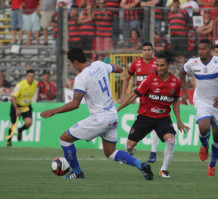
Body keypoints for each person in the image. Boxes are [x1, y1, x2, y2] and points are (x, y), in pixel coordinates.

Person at [40, 48, 153, 180]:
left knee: (64, 139)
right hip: (112, 115)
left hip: (99, 119)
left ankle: (77, 172)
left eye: (71, 63)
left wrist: (53, 111)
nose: (71, 66)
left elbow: (75, 104)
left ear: (76, 62)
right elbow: (119, 69)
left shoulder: (81, 78)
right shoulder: (99, 64)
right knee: (110, 152)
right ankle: (141, 165)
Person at [117, 51, 190, 178]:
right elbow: (133, 95)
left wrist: (179, 121)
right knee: (129, 147)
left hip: (163, 118)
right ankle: (131, 149)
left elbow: (175, 102)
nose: (159, 68)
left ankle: (163, 170)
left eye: (162, 65)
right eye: (157, 65)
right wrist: (117, 110)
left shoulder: (175, 82)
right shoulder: (149, 79)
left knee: (171, 140)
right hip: (145, 117)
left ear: (168, 65)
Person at [180, 39, 218, 176]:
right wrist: (185, 93)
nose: (201, 52)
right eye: (199, 49)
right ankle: (204, 144)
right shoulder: (193, 63)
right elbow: (181, 73)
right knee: (203, 127)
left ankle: (212, 165)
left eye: (204, 49)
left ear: (210, 49)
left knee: (217, 136)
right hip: (202, 101)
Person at [120, 42, 159, 163]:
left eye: (149, 50)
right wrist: (123, 94)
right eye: (145, 50)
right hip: (142, 99)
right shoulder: (136, 63)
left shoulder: (158, 62)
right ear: (142, 51)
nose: (147, 52)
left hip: (155, 98)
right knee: (139, 125)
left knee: (154, 125)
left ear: (152, 51)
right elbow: (127, 78)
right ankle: (130, 151)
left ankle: (153, 152)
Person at [6, 70, 38, 147]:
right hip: (17, 106)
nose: (31, 78)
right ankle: (9, 141)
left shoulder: (35, 83)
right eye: (29, 76)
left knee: (29, 123)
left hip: (26, 106)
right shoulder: (20, 85)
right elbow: (13, 98)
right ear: (26, 76)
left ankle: (20, 130)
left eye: (32, 76)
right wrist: (16, 109)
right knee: (13, 125)